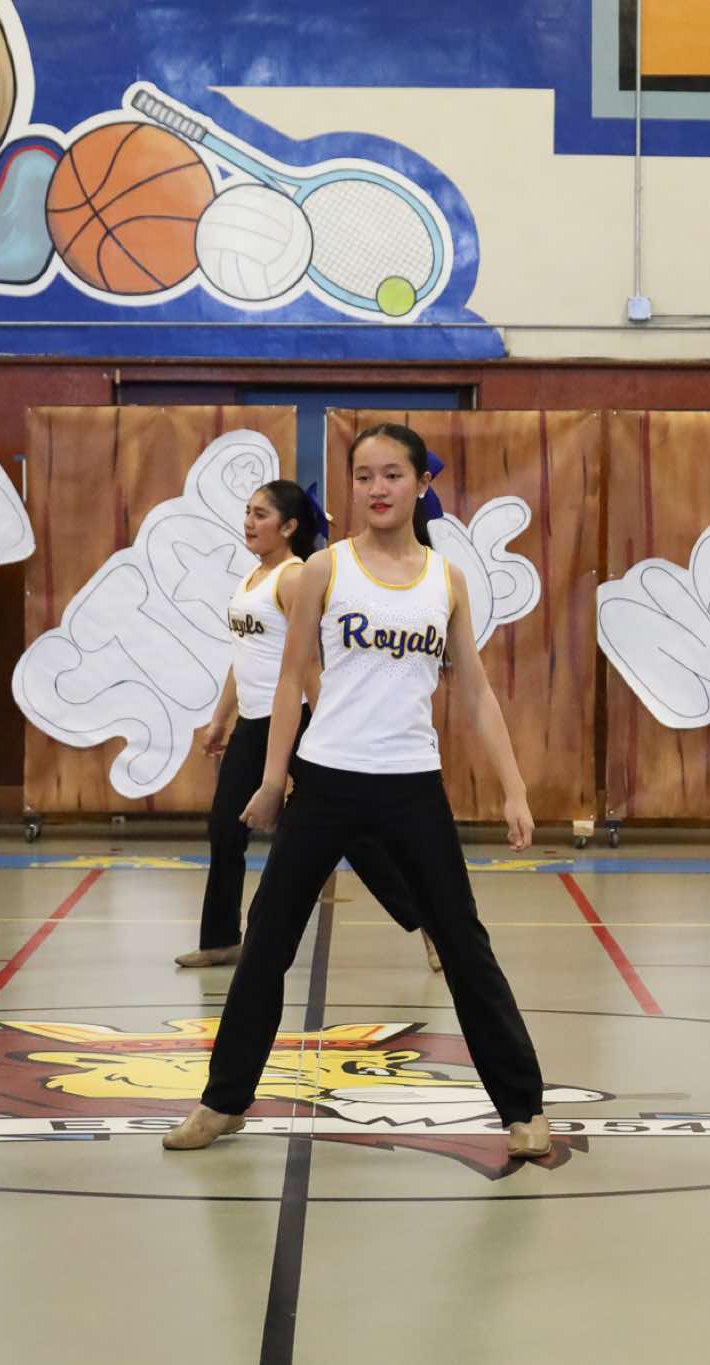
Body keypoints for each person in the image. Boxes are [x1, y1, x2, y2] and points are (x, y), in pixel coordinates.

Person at [162, 422, 553, 1159]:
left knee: (464, 944)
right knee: (267, 942)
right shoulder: (324, 569)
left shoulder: (446, 580)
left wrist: (514, 789)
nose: (378, 488)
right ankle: (223, 1101)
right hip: (326, 783)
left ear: (421, 484)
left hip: (412, 787)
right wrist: (273, 778)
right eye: (365, 476)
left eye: (393, 475)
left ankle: (522, 1107)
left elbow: (474, 690)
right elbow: (290, 677)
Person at [180, 480, 441, 973]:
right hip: (253, 724)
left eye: (261, 514)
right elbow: (244, 657)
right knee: (225, 827)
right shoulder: (253, 577)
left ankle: (429, 923)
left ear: (290, 527)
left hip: (300, 721)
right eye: (248, 512)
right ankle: (220, 939)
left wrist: (326, 727)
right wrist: (220, 720)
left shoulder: (295, 577)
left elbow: (311, 662)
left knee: (356, 838)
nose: (249, 522)